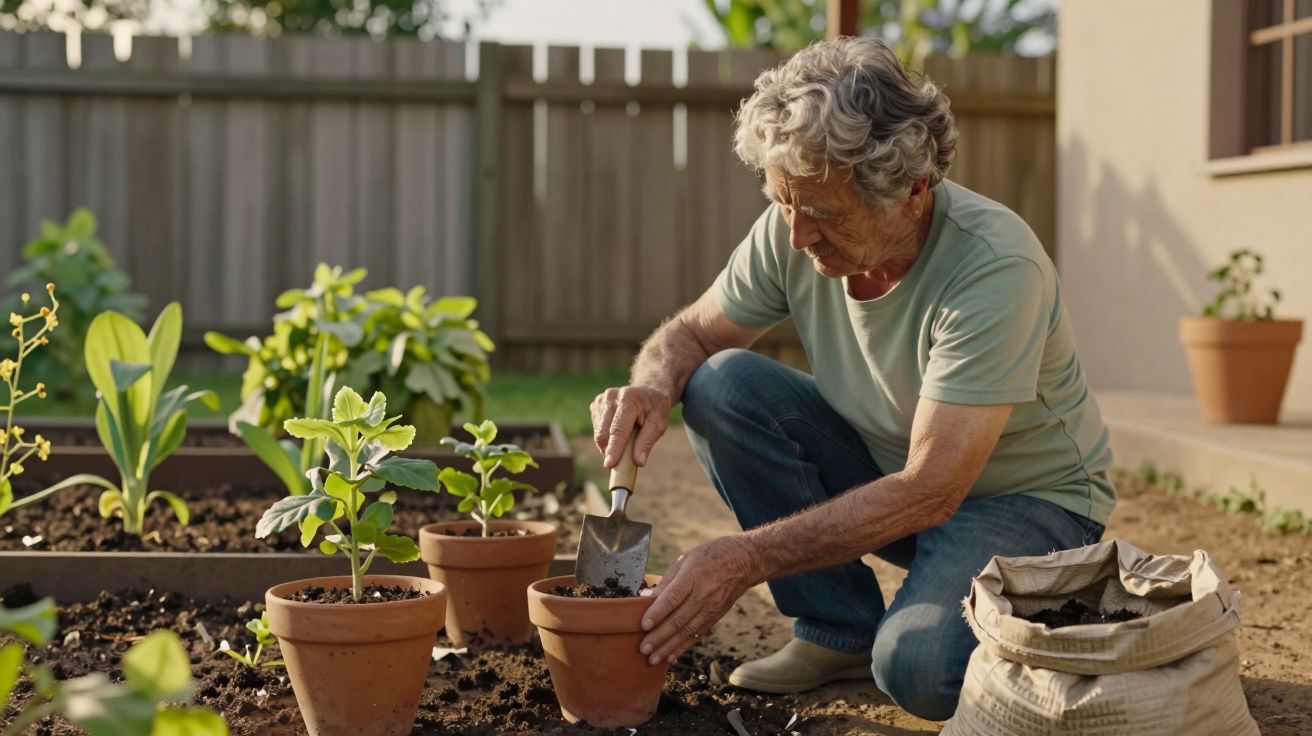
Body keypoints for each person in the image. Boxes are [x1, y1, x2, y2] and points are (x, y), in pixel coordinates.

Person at [588, 36, 1114, 721]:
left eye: (824, 214)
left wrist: (744, 559)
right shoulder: (796, 222)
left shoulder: (993, 269)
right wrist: (652, 385)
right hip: (892, 473)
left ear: (912, 191)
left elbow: (932, 489)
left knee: (918, 671)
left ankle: (1068, 603)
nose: (798, 235)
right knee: (720, 383)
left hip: (1027, 501)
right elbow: (689, 335)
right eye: (784, 204)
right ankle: (837, 628)